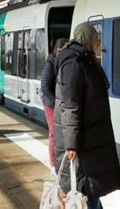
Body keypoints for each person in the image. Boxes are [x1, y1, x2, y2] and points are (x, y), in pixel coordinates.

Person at [54, 23, 120, 209]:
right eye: (96, 36)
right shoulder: (73, 64)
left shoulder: (84, 59)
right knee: (85, 188)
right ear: (88, 38)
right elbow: (70, 106)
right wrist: (71, 144)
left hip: (89, 137)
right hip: (82, 142)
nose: (98, 41)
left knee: (90, 189)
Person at [41, 38, 69, 172]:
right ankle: (53, 163)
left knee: (60, 133)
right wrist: (56, 102)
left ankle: (59, 161)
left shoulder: (60, 63)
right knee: (54, 132)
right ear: (57, 50)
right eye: (63, 49)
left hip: (57, 103)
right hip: (51, 104)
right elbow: (45, 87)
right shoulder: (50, 64)